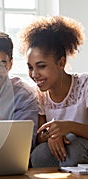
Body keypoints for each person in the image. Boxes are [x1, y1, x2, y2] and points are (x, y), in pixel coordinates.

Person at [19, 15, 88, 167]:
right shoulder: (39, 95)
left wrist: (67, 127)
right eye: (30, 67)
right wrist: (52, 134)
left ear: (61, 63)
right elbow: (39, 136)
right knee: (39, 154)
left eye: (41, 66)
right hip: (62, 151)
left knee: (74, 148)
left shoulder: (84, 85)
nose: (34, 74)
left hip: (81, 147)